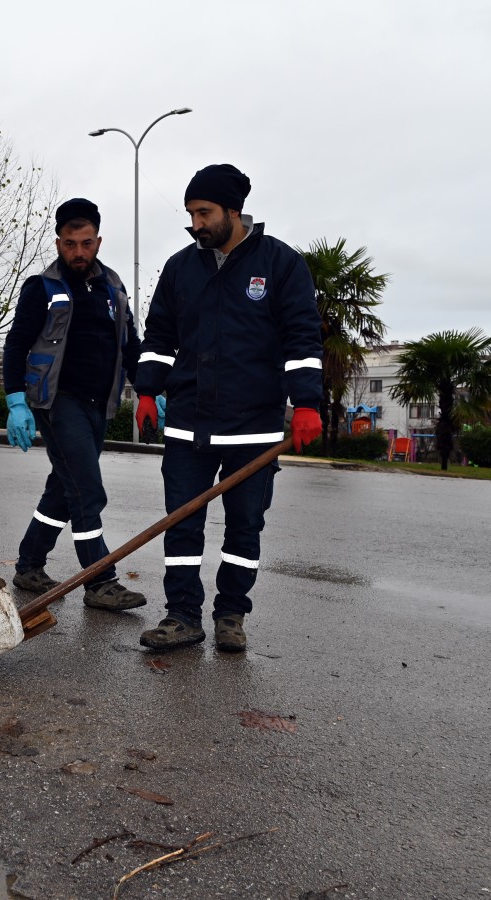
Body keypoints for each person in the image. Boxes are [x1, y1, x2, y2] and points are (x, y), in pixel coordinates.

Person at [134, 164, 323, 652]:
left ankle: (231, 615)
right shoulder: (180, 267)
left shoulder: (281, 265)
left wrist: (305, 403)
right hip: (188, 424)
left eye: (204, 212)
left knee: (244, 528)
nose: (195, 223)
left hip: (252, 428)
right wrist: (149, 391)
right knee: (181, 526)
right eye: (190, 214)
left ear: (233, 212)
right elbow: (158, 337)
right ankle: (182, 616)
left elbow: (302, 338)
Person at [2, 198, 149, 611]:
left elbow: (130, 346)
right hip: (58, 403)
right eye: (70, 244)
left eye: (86, 243)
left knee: (63, 491)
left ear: (98, 241)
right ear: (58, 242)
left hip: (98, 406)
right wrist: (16, 401)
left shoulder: (113, 288)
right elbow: (15, 346)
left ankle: (29, 565)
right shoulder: (42, 288)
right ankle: (100, 580)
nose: (79, 252)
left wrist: (148, 391)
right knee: (87, 491)